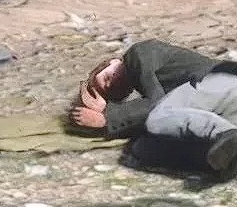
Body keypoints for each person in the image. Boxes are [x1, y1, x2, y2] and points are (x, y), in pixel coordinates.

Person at [70, 38, 237, 178]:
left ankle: (225, 134)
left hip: (219, 79)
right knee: (143, 148)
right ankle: (223, 158)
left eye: (107, 77)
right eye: (112, 89)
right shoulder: (159, 89)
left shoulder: (137, 54)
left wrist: (107, 118)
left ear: (114, 61)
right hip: (221, 103)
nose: (113, 81)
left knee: (158, 118)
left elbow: (157, 103)